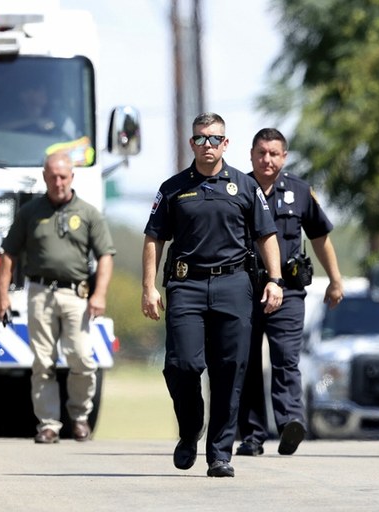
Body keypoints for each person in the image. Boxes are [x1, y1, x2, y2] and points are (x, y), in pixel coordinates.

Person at [141, 112, 284, 478]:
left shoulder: (244, 187)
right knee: (181, 365)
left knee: (229, 370)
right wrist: (149, 287)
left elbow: (266, 235)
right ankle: (190, 430)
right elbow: (154, 238)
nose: (208, 145)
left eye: (214, 138)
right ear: (192, 143)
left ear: (226, 143)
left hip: (234, 286)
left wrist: (275, 280)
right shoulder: (173, 188)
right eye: (201, 138)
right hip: (186, 286)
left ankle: (220, 454)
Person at [235, 128, 344, 457]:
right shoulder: (237, 188)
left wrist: (335, 279)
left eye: (274, 153)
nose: (267, 159)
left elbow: (320, 236)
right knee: (247, 363)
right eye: (261, 153)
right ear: (251, 155)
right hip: (245, 289)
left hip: (289, 292)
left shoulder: (298, 191)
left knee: (286, 359)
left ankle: (289, 423)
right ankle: (252, 435)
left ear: (284, 157)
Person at [0, 150, 115, 444]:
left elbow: (105, 256)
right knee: (43, 361)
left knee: (82, 359)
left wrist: (99, 295)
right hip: (39, 294)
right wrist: (2, 296)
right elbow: (9, 254)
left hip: (77, 295)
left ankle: (79, 417)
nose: (58, 182)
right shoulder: (30, 212)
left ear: (71, 177)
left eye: (63, 176)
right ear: (45, 177)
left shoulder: (88, 213)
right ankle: (48, 424)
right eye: (52, 177)